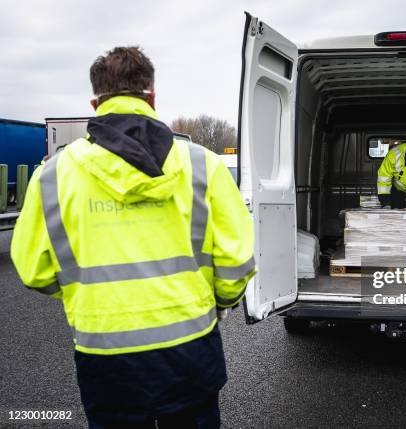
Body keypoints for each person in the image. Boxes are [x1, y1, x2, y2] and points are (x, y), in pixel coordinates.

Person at [11, 46, 255, 428]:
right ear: (152, 97)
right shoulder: (202, 165)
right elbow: (237, 258)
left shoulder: (53, 175)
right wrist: (220, 301)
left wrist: (85, 293)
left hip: (104, 353)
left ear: (95, 103)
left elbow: (33, 269)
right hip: (190, 348)